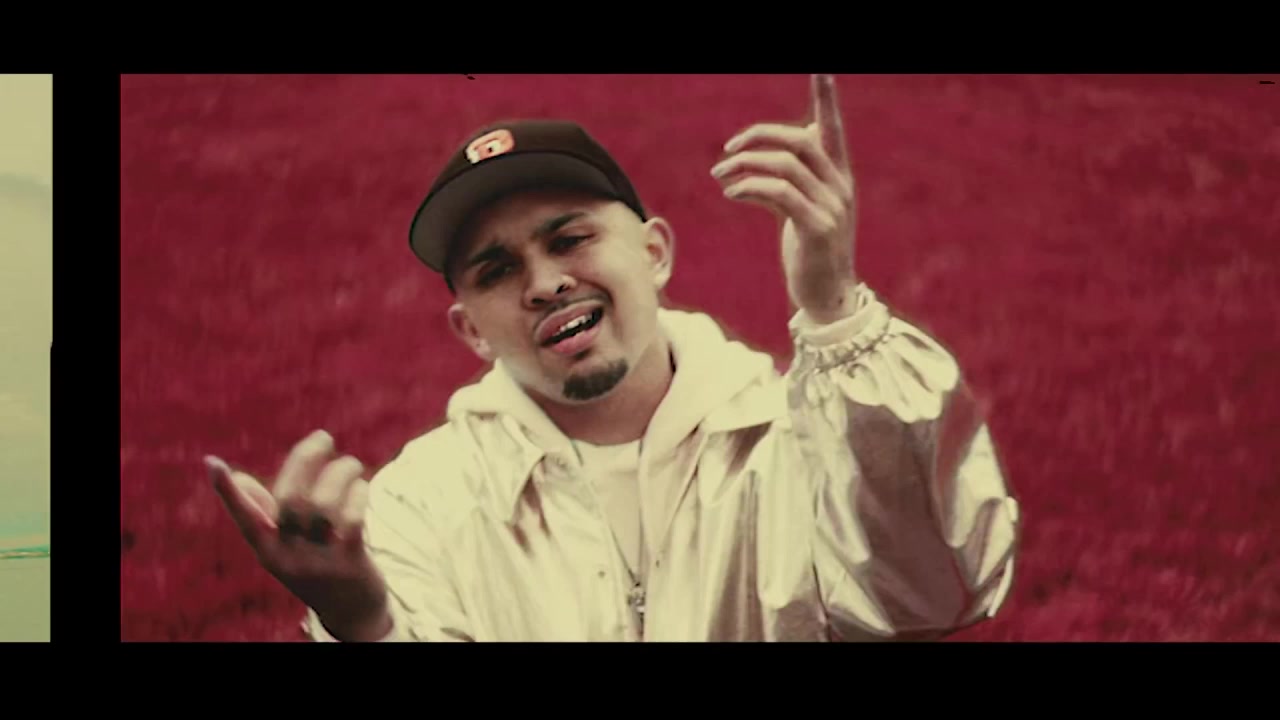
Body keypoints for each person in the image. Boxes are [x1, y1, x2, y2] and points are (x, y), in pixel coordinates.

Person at [206, 74, 1020, 642]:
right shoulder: (421, 501)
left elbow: (935, 595)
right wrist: (363, 622)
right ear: (470, 330)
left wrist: (834, 308)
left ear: (654, 252)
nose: (545, 283)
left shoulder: (797, 439)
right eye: (497, 270)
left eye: (570, 238)